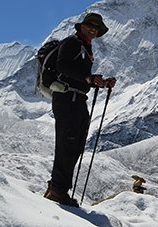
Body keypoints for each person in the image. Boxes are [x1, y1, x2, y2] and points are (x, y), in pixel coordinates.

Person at [45, 12, 116, 207]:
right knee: (67, 143)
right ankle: (57, 191)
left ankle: (57, 188)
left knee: (74, 144)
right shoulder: (72, 43)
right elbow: (63, 67)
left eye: (96, 28)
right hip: (67, 98)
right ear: (81, 26)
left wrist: (97, 81)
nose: (93, 30)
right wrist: (88, 78)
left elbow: (78, 75)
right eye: (90, 26)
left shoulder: (85, 47)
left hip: (76, 99)